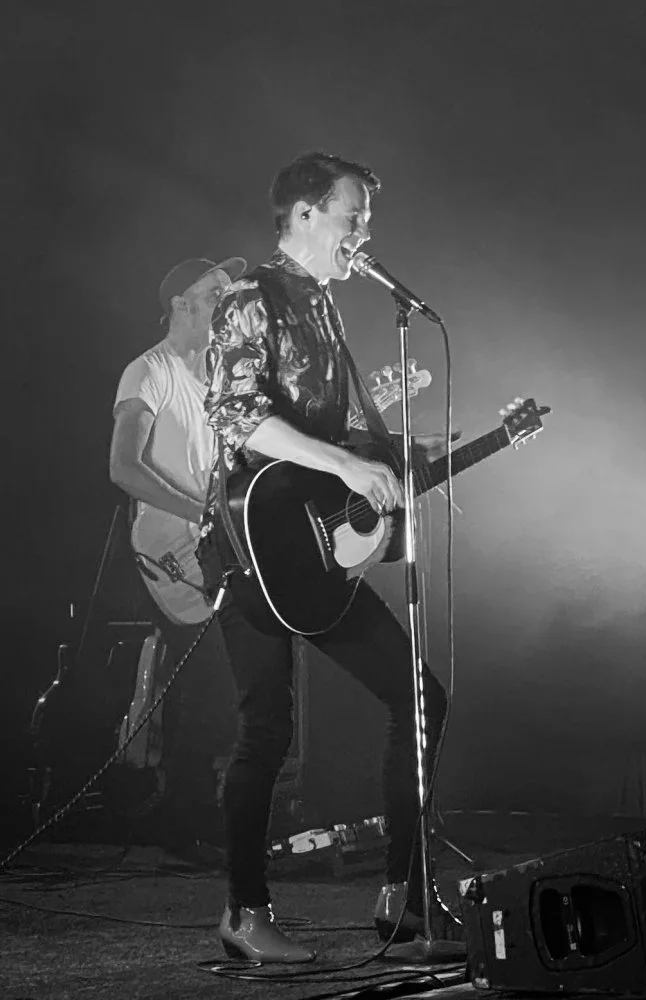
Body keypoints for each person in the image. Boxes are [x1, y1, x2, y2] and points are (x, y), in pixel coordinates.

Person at [201, 151, 455, 963]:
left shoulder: (325, 308)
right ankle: (245, 912)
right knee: (265, 730)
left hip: (311, 544)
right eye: (353, 217)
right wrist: (346, 464)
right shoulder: (250, 296)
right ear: (305, 215)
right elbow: (237, 413)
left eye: (366, 221)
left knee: (420, 696)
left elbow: (326, 429)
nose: (363, 234)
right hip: (251, 544)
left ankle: (403, 896)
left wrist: (386, 444)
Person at [110, 256, 246, 857]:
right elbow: (123, 467)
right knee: (206, 680)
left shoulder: (219, 381)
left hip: (215, 545)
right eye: (216, 293)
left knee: (224, 682)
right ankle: (183, 818)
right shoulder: (149, 370)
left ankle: (192, 813)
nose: (228, 301)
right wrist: (199, 514)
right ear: (180, 305)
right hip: (171, 548)